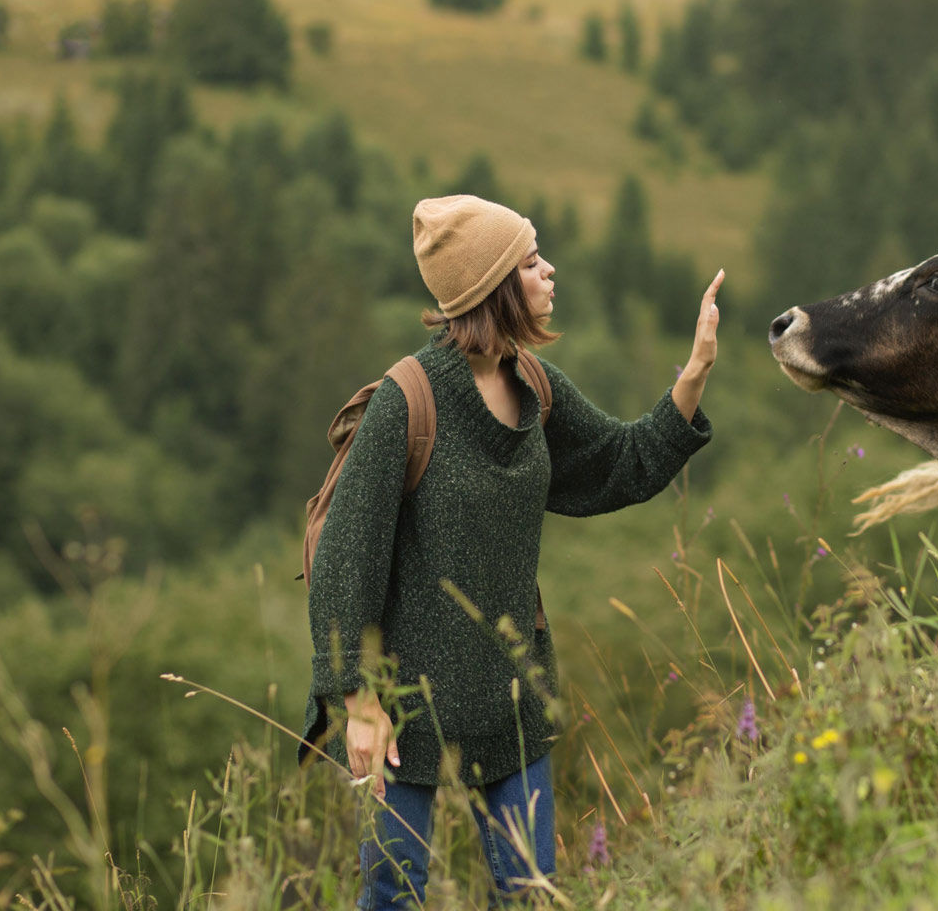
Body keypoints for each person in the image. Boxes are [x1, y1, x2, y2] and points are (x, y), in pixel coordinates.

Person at [302, 194, 723, 908]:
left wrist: (693, 374)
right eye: (531, 263)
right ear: (494, 289)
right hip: (406, 712)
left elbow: (618, 463)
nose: (551, 271)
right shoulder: (409, 400)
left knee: (529, 893)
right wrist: (358, 699)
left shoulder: (534, 384)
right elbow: (347, 555)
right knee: (391, 893)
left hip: (512, 698)